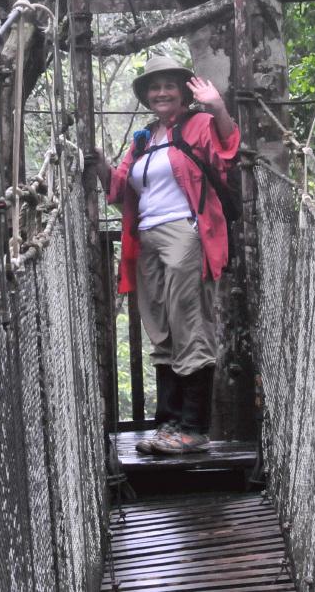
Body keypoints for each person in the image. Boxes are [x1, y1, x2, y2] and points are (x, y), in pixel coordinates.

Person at [88, 55, 238, 454]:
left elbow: (226, 151)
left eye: (168, 86)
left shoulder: (199, 124)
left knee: (189, 323)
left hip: (186, 233)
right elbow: (120, 190)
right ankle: (168, 424)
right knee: (160, 328)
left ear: (183, 91)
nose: (161, 93)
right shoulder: (142, 141)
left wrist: (217, 106)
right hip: (146, 240)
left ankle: (193, 428)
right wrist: (100, 162)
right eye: (154, 88)